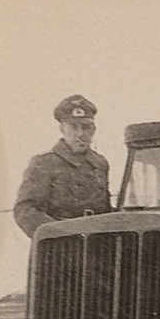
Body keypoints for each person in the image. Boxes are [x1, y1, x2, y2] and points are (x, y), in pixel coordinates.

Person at [14, 94, 112, 238]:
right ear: (62, 129)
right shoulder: (44, 163)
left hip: (96, 245)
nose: (80, 134)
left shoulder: (100, 164)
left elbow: (106, 211)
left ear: (93, 130)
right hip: (59, 246)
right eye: (73, 127)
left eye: (86, 127)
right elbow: (25, 211)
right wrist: (60, 235)